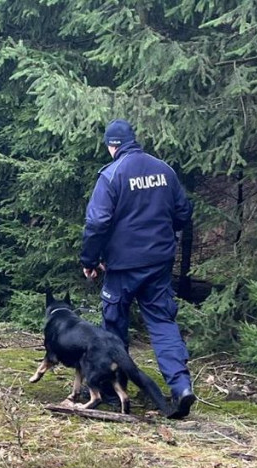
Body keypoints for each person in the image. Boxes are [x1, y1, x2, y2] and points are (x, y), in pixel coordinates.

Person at [79, 119, 196, 418]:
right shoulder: (164, 170)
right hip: (159, 262)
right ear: (133, 140)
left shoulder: (111, 175)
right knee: (162, 322)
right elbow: (183, 212)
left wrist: (90, 260)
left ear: (111, 145)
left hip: (122, 266)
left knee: (114, 326)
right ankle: (181, 387)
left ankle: (113, 391)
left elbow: (97, 222)